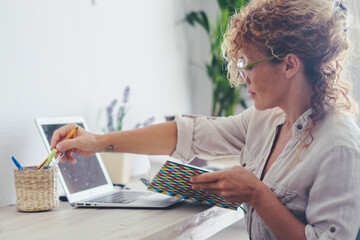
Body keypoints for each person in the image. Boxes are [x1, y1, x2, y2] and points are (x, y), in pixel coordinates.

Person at [50, 0, 360, 239]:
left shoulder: (339, 147)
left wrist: (256, 193)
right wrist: (98, 142)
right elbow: (190, 134)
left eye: (248, 64)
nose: (242, 77)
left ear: (289, 65)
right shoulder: (268, 119)